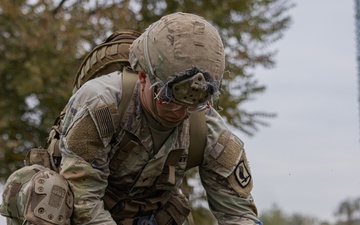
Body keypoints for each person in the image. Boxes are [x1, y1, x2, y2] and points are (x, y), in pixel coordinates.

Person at [1, 12, 261, 225]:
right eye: (168, 100)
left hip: (143, 214)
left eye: (193, 105)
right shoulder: (101, 105)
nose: (179, 113)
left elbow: (239, 214)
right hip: (78, 212)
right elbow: (84, 203)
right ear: (143, 76)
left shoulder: (210, 131)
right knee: (48, 193)